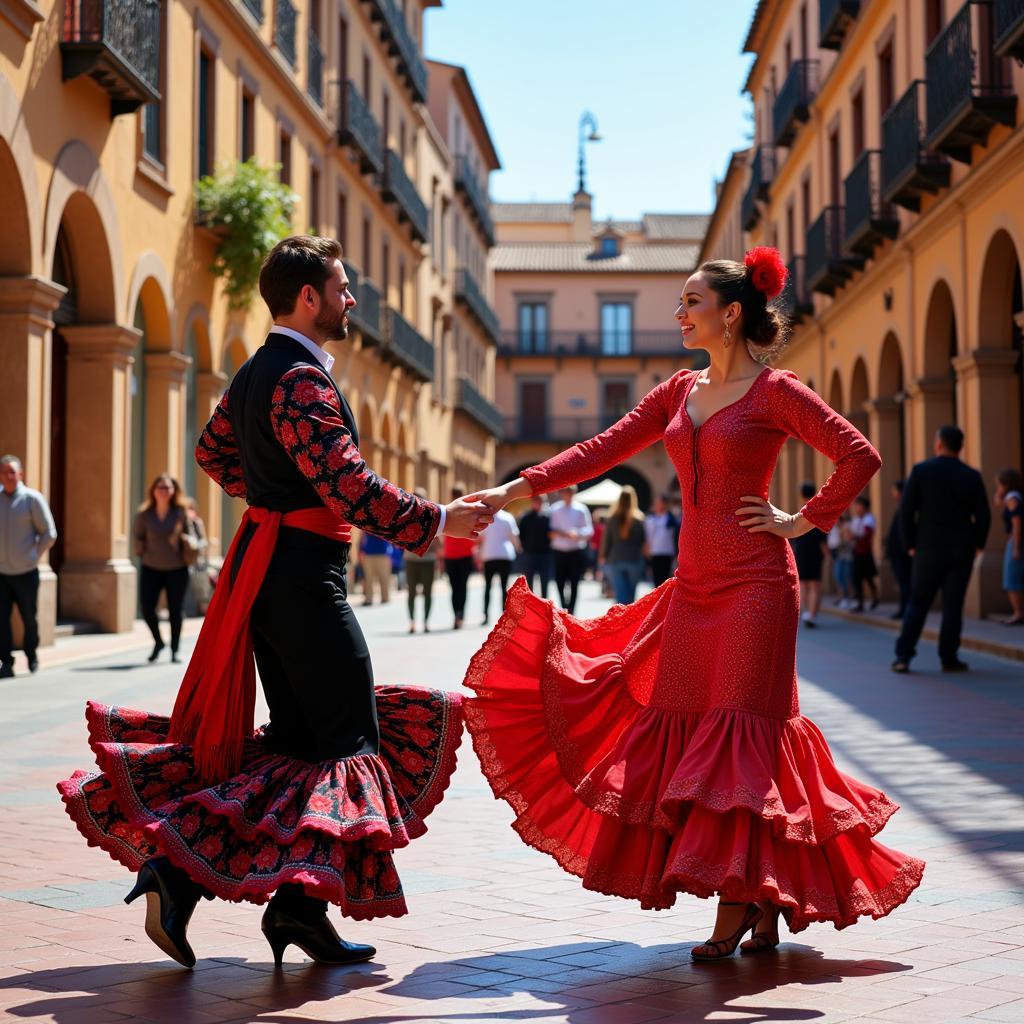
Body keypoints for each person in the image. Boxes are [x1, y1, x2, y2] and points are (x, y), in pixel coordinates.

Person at [463, 247, 923, 960]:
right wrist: (511, 492)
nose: (679, 314)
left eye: (690, 302)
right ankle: (764, 900)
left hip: (757, 587)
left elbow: (858, 453)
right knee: (693, 730)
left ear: (730, 313)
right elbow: (601, 449)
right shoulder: (678, 392)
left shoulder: (776, 393)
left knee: (741, 738)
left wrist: (802, 521)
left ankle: (736, 904)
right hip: (694, 587)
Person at [58, 235, 491, 969]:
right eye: (343, 287)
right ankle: (257, 897)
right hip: (302, 585)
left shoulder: (260, 373)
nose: (352, 300)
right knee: (350, 741)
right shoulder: (300, 380)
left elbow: (212, 452)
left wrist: (273, 501)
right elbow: (348, 484)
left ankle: (268, 904)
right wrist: (439, 521)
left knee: (300, 747)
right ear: (310, 298)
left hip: (274, 576)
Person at [892, 425, 991, 673]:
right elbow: (984, 515)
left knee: (918, 602)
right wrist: (978, 543)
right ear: (961, 447)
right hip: (961, 549)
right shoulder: (971, 476)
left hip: (927, 548)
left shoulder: (922, 472)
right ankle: (949, 658)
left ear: (938, 444)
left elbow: (906, 511)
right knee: (953, 605)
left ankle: (903, 656)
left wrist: (910, 544)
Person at [0, 455, 57, 678]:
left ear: (20, 474)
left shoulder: (32, 499)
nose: (8, 476)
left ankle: (31, 654)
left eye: (12, 472)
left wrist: (33, 556)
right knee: (1, 620)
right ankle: (6, 661)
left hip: (26, 572)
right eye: (4, 472)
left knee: (28, 618)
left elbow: (49, 533)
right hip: (1, 573)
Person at [134, 474, 193, 664]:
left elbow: (192, 535)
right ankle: (159, 642)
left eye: (167, 488)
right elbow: (138, 537)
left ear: (174, 491)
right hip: (151, 566)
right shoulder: (145, 514)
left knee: (175, 610)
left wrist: (184, 539)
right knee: (147, 608)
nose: (164, 491)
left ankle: (175, 649)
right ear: (153, 490)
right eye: (160, 487)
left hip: (177, 568)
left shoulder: (181, 512)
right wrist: (140, 547)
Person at [789, 481, 828, 628]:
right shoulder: (817, 509)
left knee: (804, 584)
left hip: (801, 551)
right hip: (815, 552)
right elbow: (822, 535)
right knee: (815, 585)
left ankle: (805, 613)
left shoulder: (800, 511)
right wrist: (827, 554)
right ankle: (812, 615)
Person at [549, 485, 593, 614]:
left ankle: (571, 611)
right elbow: (550, 530)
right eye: (564, 491)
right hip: (559, 551)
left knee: (574, 582)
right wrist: (561, 533)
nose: (567, 494)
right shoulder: (555, 509)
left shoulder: (581, 509)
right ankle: (564, 608)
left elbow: (589, 530)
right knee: (559, 581)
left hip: (575, 551)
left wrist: (577, 533)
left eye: (569, 491)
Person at [601, 484, 648, 605]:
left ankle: (622, 622)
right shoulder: (639, 519)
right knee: (631, 598)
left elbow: (606, 541)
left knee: (621, 598)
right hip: (634, 559)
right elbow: (644, 541)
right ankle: (631, 623)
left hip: (616, 559)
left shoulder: (612, 518)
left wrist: (602, 556)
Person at [405, 488, 442, 634]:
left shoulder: (432, 516)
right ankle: (413, 622)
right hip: (411, 560)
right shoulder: (406, 516)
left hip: (428, 560)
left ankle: (425, 622)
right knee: (412, 593)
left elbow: (439, 543)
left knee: (427, 593)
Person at [478, 508, 521, 625]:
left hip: (489, 554)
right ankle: (505, 613)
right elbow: (514, 536)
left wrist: (479, 554)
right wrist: (518, 550)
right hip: (504, 554)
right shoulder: (508, 517)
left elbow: (480, 538)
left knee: (488, 586)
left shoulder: (486, 518)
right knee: (503, 586)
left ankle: (486, 614)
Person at [444, 486, 476, 629]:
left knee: (455, 587)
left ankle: (457, 615)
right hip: (464, 555)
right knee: (461, 587)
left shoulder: (447, 510)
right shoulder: (470, 511)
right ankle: (460, 615)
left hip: (451, 555)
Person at [994, 468, 1023, 626]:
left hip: (1016, 540)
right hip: (1015, 540)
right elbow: (998, 503)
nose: (997, 488)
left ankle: (1018, 613)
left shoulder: (1012, 498)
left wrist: (1016, 547)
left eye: (999, 485)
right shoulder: (1014, 497)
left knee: (1012, 578)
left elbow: (1017, 522)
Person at [885, 480, 912, 620]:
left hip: (902, 554)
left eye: (894, 490)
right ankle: (905, 609)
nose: (892, 493)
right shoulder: (901, 507)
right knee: (903, 582)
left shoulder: (905, 507)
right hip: (898, 553)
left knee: (904, 583)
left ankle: (905, 610)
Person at [517, 495, 552, 599]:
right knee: (529, 582)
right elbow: (521, 535)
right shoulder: (526, 517)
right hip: (529, 554)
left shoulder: (548, 518)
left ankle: (545, 604)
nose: (538, 503)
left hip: (544, 554)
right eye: (536, 501)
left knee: (544, 581)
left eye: (540, 501)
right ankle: (531, 604)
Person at [849, 495, 879, 612]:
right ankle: (860, 602)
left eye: (859, 505)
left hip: (865, 552)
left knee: (868, 576)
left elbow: (866, 535)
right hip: (857, 552)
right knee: (857, 577)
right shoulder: (856, 520)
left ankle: (875, 597)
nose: (856, 508)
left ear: (864, 507)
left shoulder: (869, 519)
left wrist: (854, 537)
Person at [644, 494, 679, 587]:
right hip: (655, 552)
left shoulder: (670, 518)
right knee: (656, 578)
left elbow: (675, 534)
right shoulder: (650, 518)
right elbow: (648, 536)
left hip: (667, 552)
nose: (659, 505)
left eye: (661, 503)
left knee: (665, 578)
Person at [827, 512, 855, 609]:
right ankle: (843, 597)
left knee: (845, 577)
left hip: (847, 556)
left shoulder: (846, 527)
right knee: (839, 576)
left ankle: (848, 598)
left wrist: (843, 534)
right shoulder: (836, 529)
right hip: (838, 555)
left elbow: (848, 540)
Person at [359, 531, 393, 605]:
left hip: (383, 553)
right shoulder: (365, 523)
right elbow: (362, 537)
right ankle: (368, 599)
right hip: (368, 553)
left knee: (384, 577)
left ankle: (385, 597)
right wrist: (361, 550)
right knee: (368, 578)